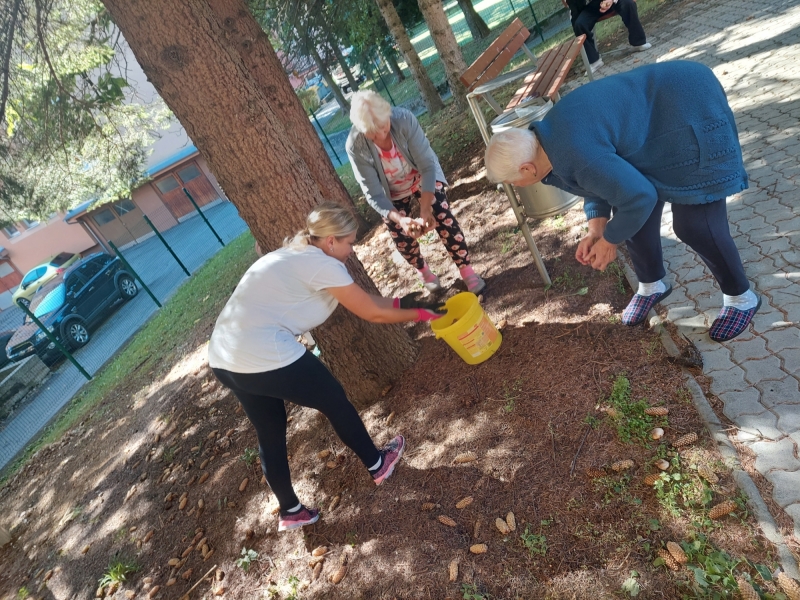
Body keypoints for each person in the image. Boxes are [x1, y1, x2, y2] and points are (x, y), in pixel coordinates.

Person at [208, 202, 445, 532]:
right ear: (331, 241)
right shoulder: (323, 265)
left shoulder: (296, 254)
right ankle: (378, 465)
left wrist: (414, 305)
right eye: (349, 242)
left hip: (223, 358)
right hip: (261, 350)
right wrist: (422, 310)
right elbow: (373, 312)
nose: (352, 249)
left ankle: (291, 511)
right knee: (333, 398)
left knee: (269, 431)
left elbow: (372, 304)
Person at [484, 61, 760, 343]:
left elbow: (639, 196)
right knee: (629, 216)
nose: (516, 188)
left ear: (527, 169)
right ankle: (652, 285)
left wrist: (610, 240)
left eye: (512, 182)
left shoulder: (571, 151)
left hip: (689, 108)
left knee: (695, 225)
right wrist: (597, 230)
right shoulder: (546, 141)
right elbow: (598, 181)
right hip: (660, 118)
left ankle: (741, 298)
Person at [346, 90, 486, 295]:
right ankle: (424, 272)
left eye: (383, 127)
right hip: (390, 193)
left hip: (422, 177)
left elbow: (428, 166)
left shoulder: (403, 120)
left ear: (387, 113)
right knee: (400, 236)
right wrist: (401, 220)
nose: (380, 135)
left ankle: (466, 270)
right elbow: (374, 194)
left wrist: (425, 208)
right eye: (372, 133)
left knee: (443, 216)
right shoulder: (356, 145)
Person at [564, 0, 651, 73]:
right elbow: (567, 4)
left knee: (628, 4)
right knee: (579, 24)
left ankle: (638, 43)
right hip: (592, 6)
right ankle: (594, 61)